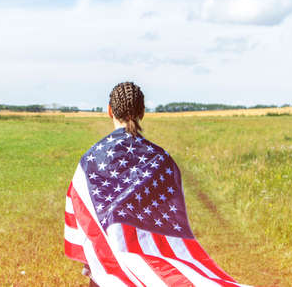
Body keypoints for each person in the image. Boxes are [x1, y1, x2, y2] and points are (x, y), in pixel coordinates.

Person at [64, 82, 241, 286]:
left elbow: (81, 213)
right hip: (159, 268)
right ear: (143, 112)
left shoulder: (92, 159)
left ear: (109, 111)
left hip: (107, 264)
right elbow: (173, 218)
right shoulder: (163, 160)